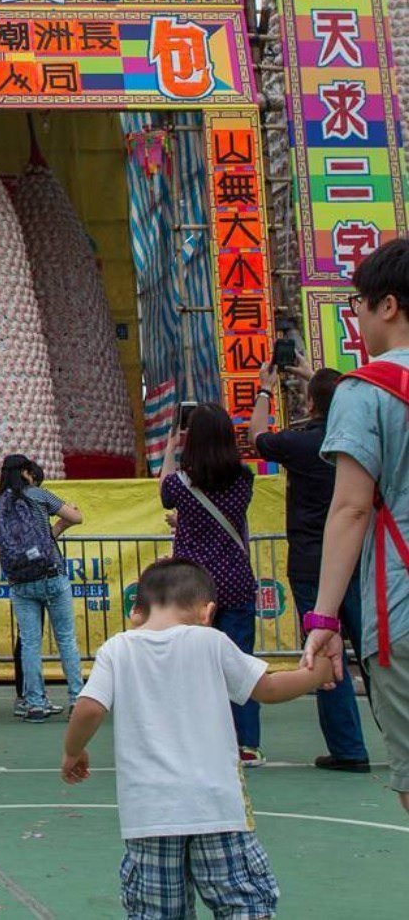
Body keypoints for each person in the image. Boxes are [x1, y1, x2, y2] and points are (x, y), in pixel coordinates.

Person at [63, 559, 333, 920]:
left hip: (149, 813)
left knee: (156, 910)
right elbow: (267, 689)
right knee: (242, 902)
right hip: (216, 807)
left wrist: (73, 751)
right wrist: (318, 674)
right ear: (207, 611)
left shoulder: (117, 649)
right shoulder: (212, 641)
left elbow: (89, 709)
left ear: (135, 611)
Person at [304, 236, 409, 814]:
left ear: (387, 306)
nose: (359, 319)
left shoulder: (365, 390)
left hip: (401, 608)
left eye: (359, 305)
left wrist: (324, 616)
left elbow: (350, 508)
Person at [250, 358, 370, 772]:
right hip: (359, 557)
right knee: (374, 652)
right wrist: (312, 375)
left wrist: (266, 390)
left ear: (311, 403)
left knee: (324, 652)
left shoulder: (301, 445)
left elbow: (257, 437)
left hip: (311, 563)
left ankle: (349, 748)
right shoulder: (356, 439)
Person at [159, 404, 264, 766]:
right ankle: (246, 744)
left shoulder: (181, 485)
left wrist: (172, 446)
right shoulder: (244, 479)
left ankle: (197, 742)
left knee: (190, 665)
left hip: (192, 586)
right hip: (235, 581)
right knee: (240, 665)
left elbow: (164, 492)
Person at [0, 454, 85, 723]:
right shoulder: (39, 495)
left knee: (30, 643)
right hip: (52, 573)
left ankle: (35, 703)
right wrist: (61, 524)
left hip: (21, 581)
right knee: (66, 639)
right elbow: (76, 517)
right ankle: (76, 699)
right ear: (26, 472)